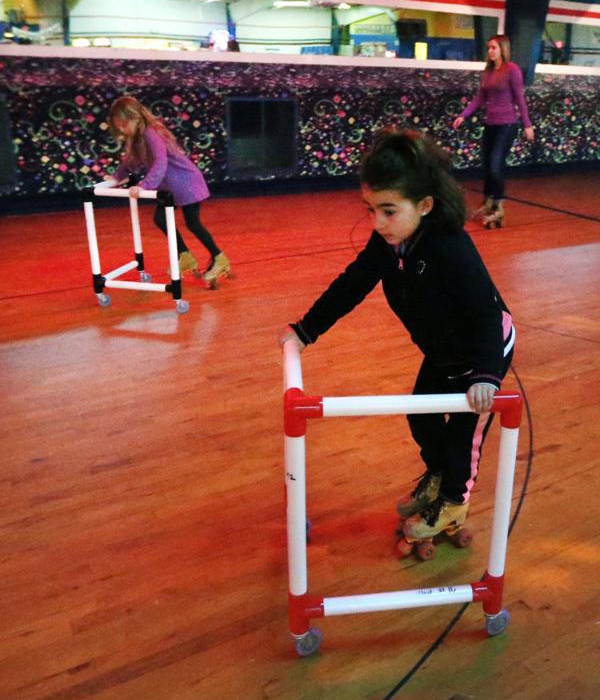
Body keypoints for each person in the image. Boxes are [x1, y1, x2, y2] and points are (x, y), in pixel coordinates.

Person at [280, 129, 516, 550]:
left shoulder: (450, 247)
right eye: (371, 210)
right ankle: (439, 476)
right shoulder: (388, 243)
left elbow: (484, 312)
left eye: (389, 211)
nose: (377, 223)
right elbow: (352, 284)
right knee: (421, 417)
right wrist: (306, 330)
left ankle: (453, 501)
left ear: (424, 206)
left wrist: (485, 376)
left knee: (464, 434)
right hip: (442, 350)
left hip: (482, 350)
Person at [106, 95, 230, 287]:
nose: (122, 130)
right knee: (161, 219)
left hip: (186, 182)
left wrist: (144, 185)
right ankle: (185, 256)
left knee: (193, 223)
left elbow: (160, 162)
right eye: (118, 127)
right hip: (171, 187)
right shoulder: (138, 139)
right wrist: (115, 177)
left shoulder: (151, 133)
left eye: (123, 125)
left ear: (135, 118)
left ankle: (219, 257)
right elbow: (131, 162)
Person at [452, 34, 534, 228]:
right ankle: (488, 202)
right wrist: (463, 115)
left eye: (493, 48)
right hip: (490, 124)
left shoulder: (511, 70)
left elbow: (520, 98)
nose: (490, 51)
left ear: (502, 49)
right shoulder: (488, 71)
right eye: (488, 47)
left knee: (496, 164)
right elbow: (479, 98)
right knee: (487, 165)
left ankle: (498, 206)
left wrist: (527, 124)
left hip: (507, 125)